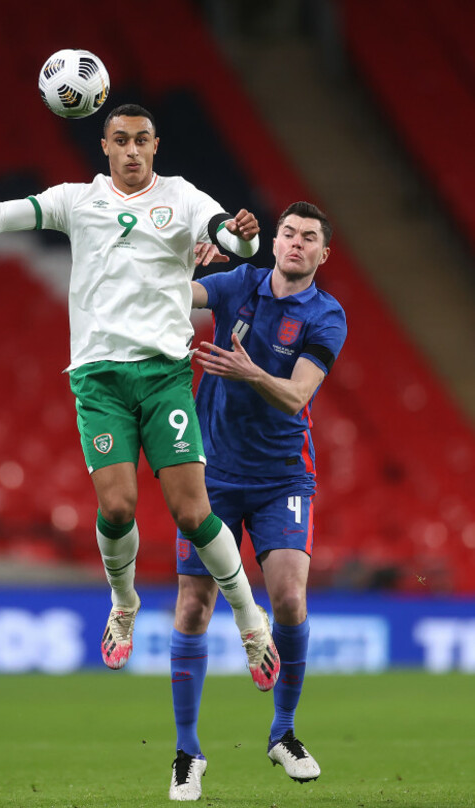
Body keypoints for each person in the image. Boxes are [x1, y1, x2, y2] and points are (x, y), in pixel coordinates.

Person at [0, 103, 281, 689]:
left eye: (141, 141)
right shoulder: (78, 200)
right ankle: (123, 606)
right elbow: (0, 218)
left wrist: (245, 239)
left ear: (156, 146)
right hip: (99, 379)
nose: (131, 150)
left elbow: (230, 237)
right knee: (118, 507)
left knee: (193, 512)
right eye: (120, 140)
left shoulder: (182, 197)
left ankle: (251, 622)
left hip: (164, 373)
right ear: (104, 146)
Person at [168, 201, 347, 800]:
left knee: (290, 598)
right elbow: (174, 294)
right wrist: (180, 258)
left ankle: (284, 731)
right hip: (212, 473)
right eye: (288, 233)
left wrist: (250, 374)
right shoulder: (236, 284)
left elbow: (298, 397)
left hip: (281, 476)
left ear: (324, 253)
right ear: (273, 241)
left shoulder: (327, 315)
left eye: (309, 238)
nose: (296, 243)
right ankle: (187, 753)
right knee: (193, 607)